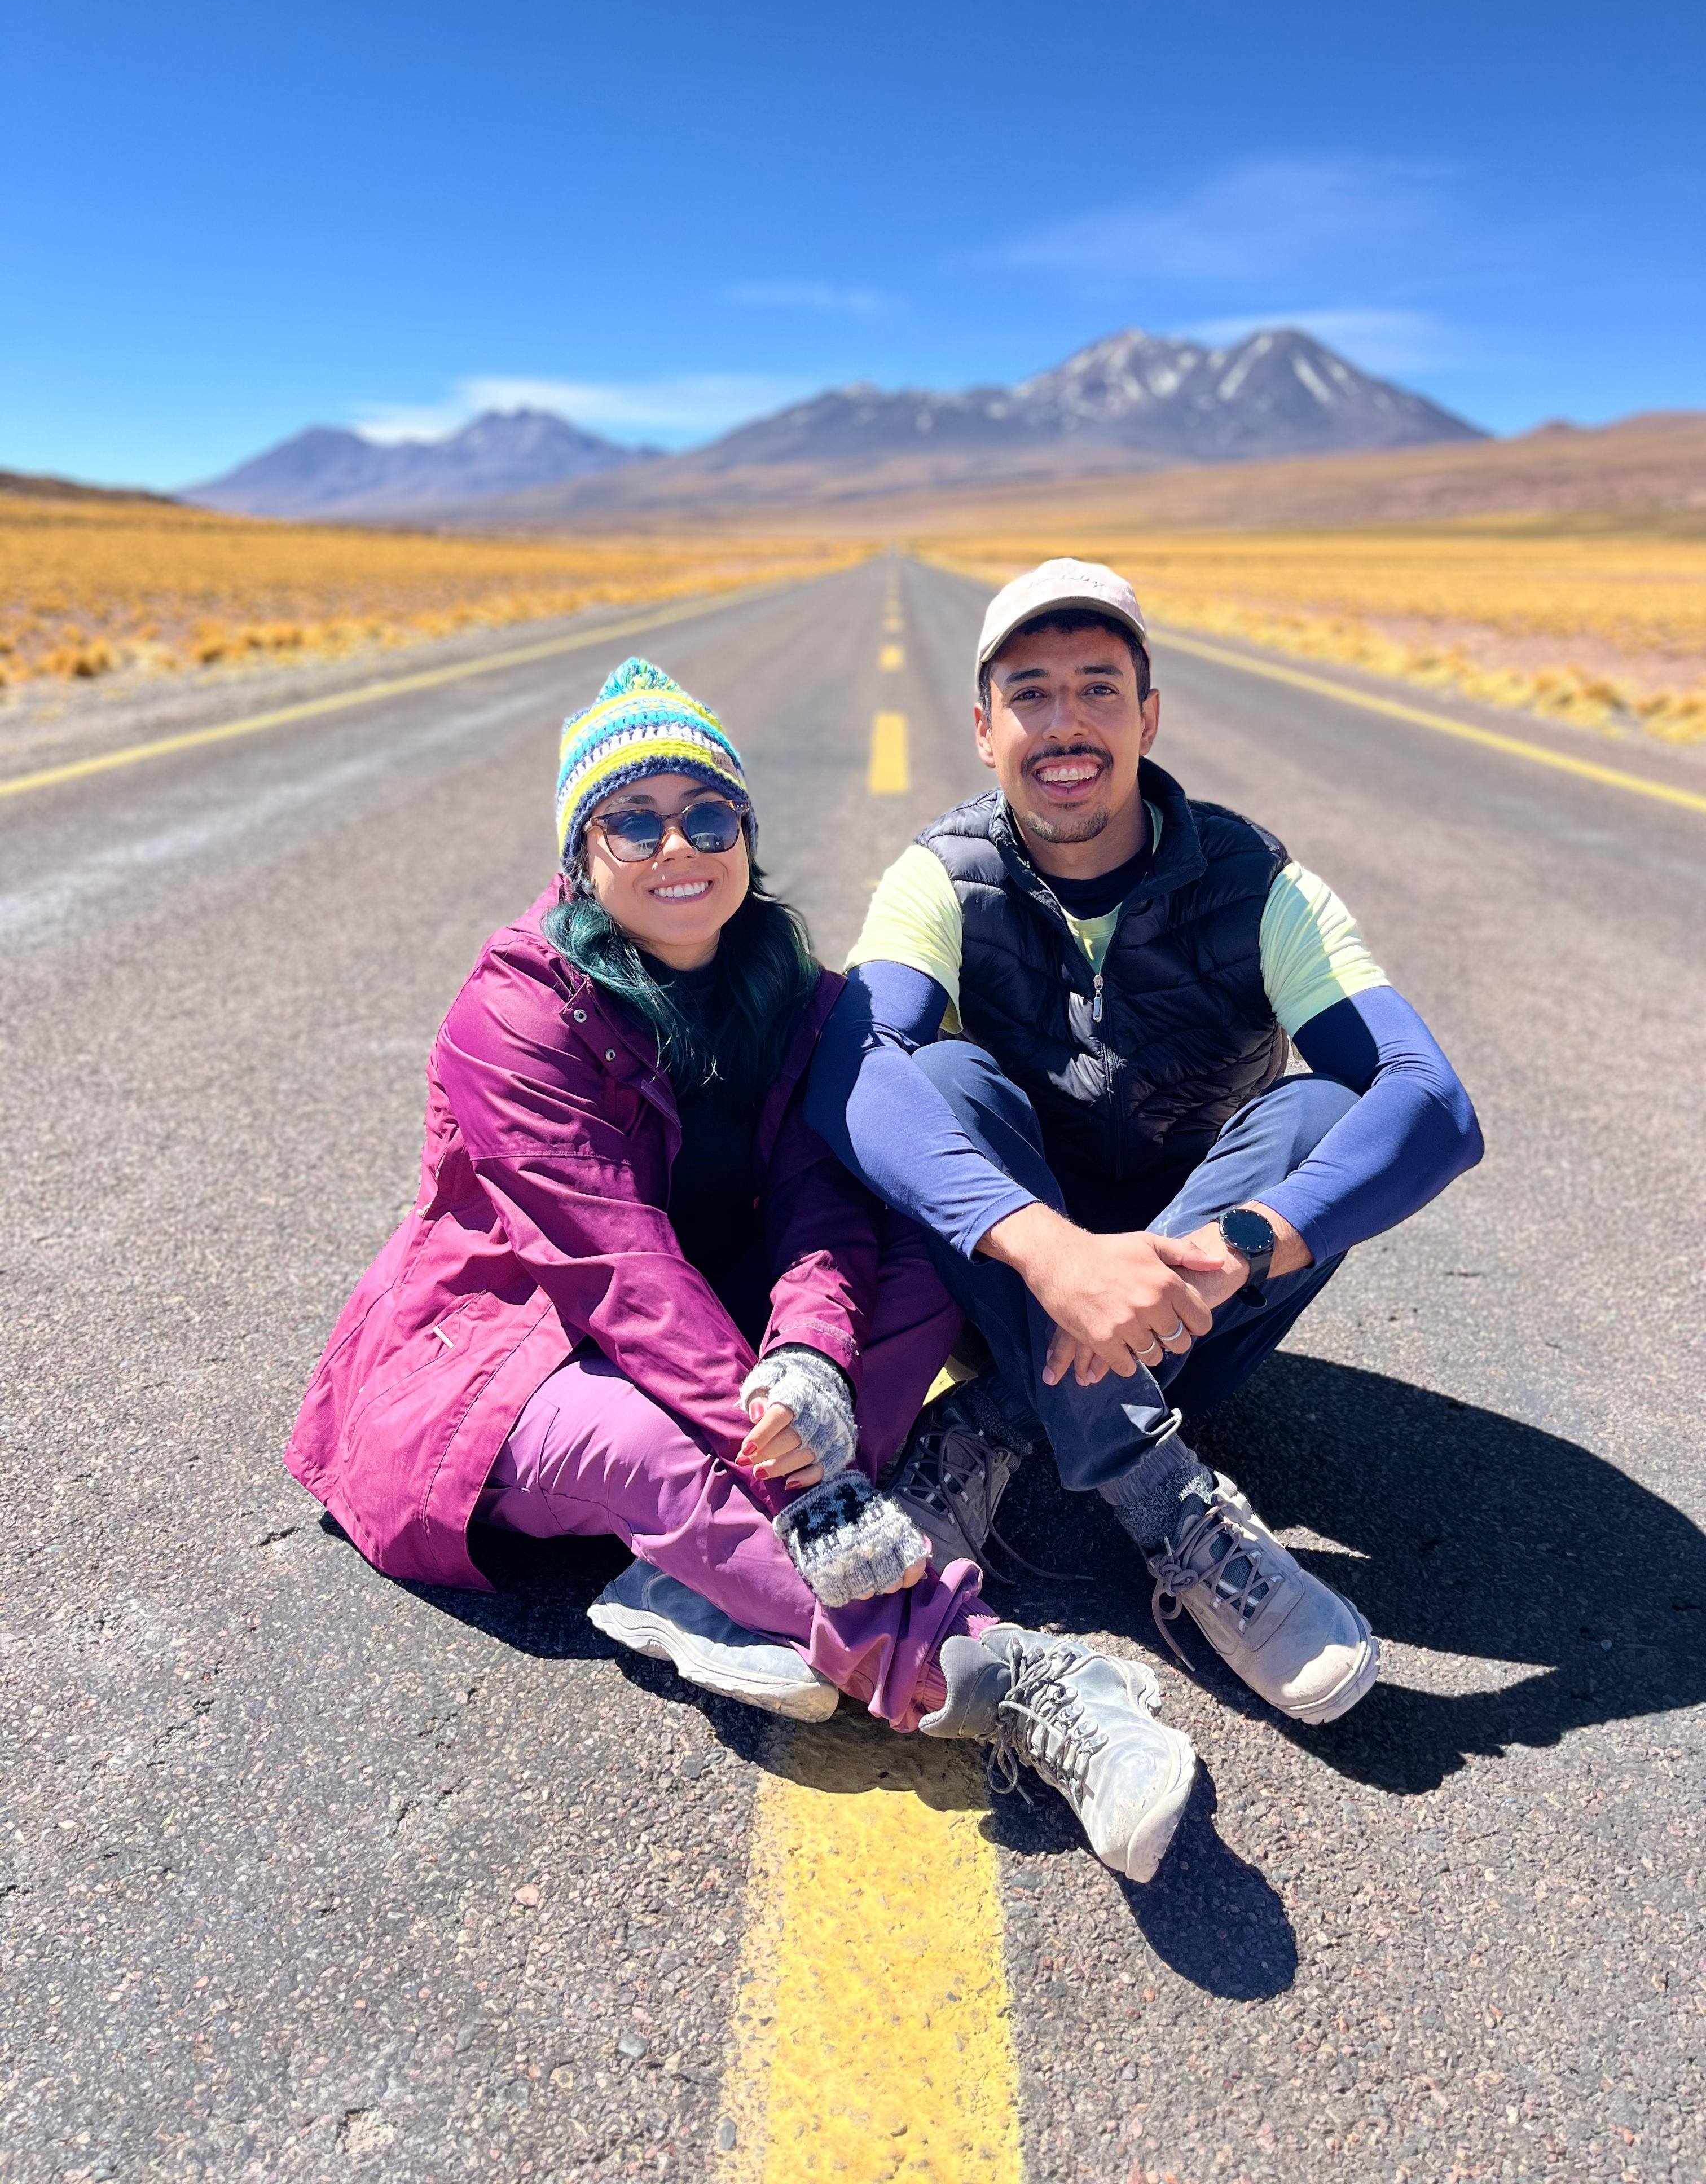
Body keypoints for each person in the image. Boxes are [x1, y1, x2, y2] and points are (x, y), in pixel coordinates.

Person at [285, 657, 1206, 1884]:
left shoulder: (792, 990)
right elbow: (615, 1265)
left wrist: (812, 1356)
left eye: (709, 815)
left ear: (746, 835)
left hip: (705, 1327)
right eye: (635, 819)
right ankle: (1010, 1682)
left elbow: (828, 1197)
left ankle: (712, 1582)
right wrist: (808, 1471)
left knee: (919, 1252)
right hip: (510, 1350)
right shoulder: (515, 1010)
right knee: (636, 1445)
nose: (680, 846)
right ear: (581, 851)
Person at [808, 560, 1484, 1728]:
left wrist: (1246, 1243)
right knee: (941, 1072)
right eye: (1030, 693)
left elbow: (1432, 1099)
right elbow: (850, 1074)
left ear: (1148, 714)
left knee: (1322, 1112)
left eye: (1098, 689)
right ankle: (1164, 1496)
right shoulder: (942, 877)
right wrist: (1053, 1255)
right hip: (1018, 1286)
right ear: (983, 728)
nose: (1065, 725)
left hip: (1196, 1302)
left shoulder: (1257, 886)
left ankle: (997, 1424)